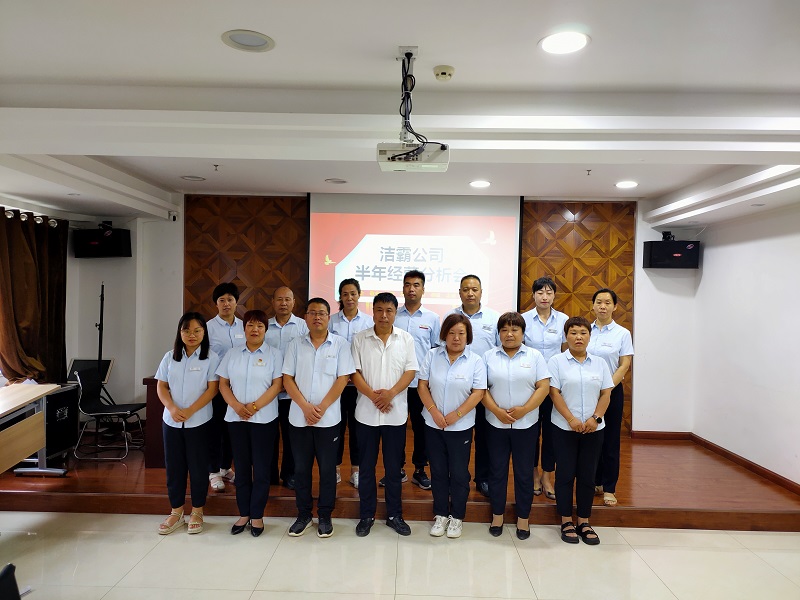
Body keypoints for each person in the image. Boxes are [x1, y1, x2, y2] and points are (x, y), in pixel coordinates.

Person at [283, 298, 355, 538]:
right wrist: (305, 407)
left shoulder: (341, 344)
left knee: (327, 470)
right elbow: (287, 379)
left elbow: (343, 379)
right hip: (299, 417)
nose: (317, 317)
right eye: (312, 313)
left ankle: (325, 514)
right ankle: (303, 514)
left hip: (329, 418)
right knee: (301, 469)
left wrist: (322, 407)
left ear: (328, 317)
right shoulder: (295, 344)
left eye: (322, 313)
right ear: (305, 317)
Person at [350, 292, 417, 537]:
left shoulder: (406, 339)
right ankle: (366, 515)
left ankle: (394, 515)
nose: (384, 315)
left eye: (389, 310)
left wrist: (391, 394)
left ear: (395, 313)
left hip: (395, 414)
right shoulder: (360, 339)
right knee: (366, 468)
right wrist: (374, 396)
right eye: (379, 310)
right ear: (373, 312)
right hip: (366, 413)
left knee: (393, 469)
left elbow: (410, 371)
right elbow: (354, 373)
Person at [418, 313, 487, 538]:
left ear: (468, 336)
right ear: (444, 335)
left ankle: (457, 517)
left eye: (461, 333)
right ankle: (440, 514)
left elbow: (478, 392)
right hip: (433, 424)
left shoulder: (475, 360)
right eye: (451, 333)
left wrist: (456, 415)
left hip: (461, 426)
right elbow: (422, 386)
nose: (456, 338)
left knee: (458, 473)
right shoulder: (432, 355)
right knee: (437, 471)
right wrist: (434, 412)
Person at [483, 312, 550, 540]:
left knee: (524, 473)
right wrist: (496, 411)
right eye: (504, 330)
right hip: (495, 423)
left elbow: (543, 387)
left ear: (523, 333)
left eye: (514, 330)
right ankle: (497, 516)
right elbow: (481, 389)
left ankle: (523, 518)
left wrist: (525, 409)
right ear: (498, 333)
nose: (509, 334)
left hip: (526, 424)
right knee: (496, 471)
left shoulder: (535, 356)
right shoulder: (488, 356)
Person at [217, 309, 283, 538]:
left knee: (262, 470)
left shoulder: (275, 354)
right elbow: (223, 384)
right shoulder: (232, 354)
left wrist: (254, 407)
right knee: (242, 469)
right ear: (244, 328)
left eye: (260, 326)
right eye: (250, 325)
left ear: (266, 329)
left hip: (264, 419)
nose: (255, 330)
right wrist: (236, 406)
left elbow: (277, 385)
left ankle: (257, 515)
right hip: (236, 419)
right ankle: (244, 513)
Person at [548, 316, 613, 545]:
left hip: (594, 429)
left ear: (589, 336)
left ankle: (584, 520)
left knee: (587, 475)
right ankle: (566, 520)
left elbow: (606, 393)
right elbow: (554, 392)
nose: (578, 337)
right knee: (565, 474)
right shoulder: (556, 361)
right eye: (573, 333)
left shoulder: (600, 363)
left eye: (583, 333)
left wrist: (596, 418)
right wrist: (571, 419)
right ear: (566, 336)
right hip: (564, 427)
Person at [155, 312, 220, 535]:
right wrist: (172, 408)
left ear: (204, 333)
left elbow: (212, 389)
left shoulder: (211, 357)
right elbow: (161, 386)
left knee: (198, 467)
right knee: (174, 467)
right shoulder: (169, 357)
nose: (192, 335)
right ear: (180, 332)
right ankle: (176, 512)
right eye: (186, 330)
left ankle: (198, 511)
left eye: (197, 330)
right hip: (171, 421)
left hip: (199, 421)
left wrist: (191, 410)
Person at [446, 274, 499, 497]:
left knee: (485, 436)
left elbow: (499, 349)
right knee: (457, 435)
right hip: (456, 387)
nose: (470, 293)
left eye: (474, 289)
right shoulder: (450, 317)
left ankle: (483, 478)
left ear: (481, 292)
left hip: (485, 388)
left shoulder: (493, 317)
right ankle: (457, 476)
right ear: (459, 292)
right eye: (466, 289)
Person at [392, 269, 440, 491]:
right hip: (396, 383)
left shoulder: (432, 318)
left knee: (422, 429)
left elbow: (436, 351)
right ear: (403, 288)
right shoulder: (393, 315)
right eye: (408, 284)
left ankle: (420, 469)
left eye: (416, 285)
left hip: (421, 384)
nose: (412, 289)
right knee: (396, 427)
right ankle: (397, 468)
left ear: (423, 289)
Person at [521, 276, 568, 501]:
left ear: (554, 296)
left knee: (551, 433)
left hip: (554, 387)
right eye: (540, 292)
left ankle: (548, 475)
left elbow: (566, 351)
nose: (544, 297)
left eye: (549, 292)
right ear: (533, 295)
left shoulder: (563, 320)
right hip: (530, 386)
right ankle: (533, 473)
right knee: (531, 432)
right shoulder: (523, 320)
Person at [587, 288, 634, 507]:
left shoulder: (622, 333)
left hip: (612, 392)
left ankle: (609, 488)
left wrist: (607, 387)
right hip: (587, 392)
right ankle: (594, 481)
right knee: (591, 438)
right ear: (593, 305)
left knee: (610, 440)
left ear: (615, 306)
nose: (603, 306)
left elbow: (624, 364)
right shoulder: (585, 330)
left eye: (607, 302)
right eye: (599, 302)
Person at [328, 278, 373, 488]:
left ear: (359, 295)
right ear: (340, 297)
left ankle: (356, 469)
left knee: (357, 429)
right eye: (345, 294)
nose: (349, 298)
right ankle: (335, 468)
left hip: (358, 385)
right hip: (335, 384)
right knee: (335, 427)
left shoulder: (368, 322)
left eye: (353, 293)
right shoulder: (331, 321)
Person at [265, 286, 309, 490]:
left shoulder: (303, 326)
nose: (283, 303)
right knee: (269, 436)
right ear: (273, 302)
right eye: (279, 299)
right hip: (268, 393)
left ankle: (289, 474)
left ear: (294, 302)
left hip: (293, 393)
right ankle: (269, 475)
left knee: (292, 437)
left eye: (287, 299)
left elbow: (307, 358)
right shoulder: (264, 326)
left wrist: (289, 382)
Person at [206, 282, 244, 492]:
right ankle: (213, 471)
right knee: (215, 430)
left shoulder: (244, 327)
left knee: (232, 430)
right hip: (216, 387)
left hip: (237, 388)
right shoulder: (208, 328)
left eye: (230, 299)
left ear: (237, 302)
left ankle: (225, 467)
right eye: (222, 300)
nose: (226, 303)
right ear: (216, 304)